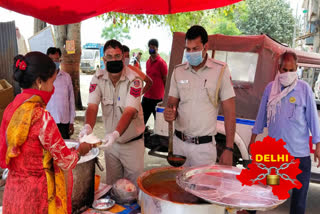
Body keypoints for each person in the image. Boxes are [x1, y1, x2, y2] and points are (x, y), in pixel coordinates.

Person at [0, 52, 92, 214]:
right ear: (39, 82)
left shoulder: (11, 109)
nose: (53, 88)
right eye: (52, 82)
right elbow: (66, 162)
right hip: (38, 197)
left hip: (13, 192)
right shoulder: (41, 117)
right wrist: (81, 150)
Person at [250, 51, 320, 214]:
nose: (287, 74)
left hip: (299, 158)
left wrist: (318, 145)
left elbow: (313, 120)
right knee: (268, 193)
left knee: (299, 201)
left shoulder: (304, 90)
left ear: (297, 69)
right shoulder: (270, 89)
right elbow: (261, 116)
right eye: (284, 70)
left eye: (291, 70)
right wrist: (253, 139)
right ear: (278, 69)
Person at [164, 25, 236, 166]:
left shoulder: (220, 70)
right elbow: (172, 103)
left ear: (205, 47)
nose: (191, 53)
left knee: (202, 187)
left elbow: (230, 112)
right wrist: (169, 113)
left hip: (203, 148)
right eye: (188, 49)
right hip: (179, 145)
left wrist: (229, 148)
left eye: (195, 49)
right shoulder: (178, 71)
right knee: (177, 187)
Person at [79, 40, 145, 186]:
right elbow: (92, 107)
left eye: (117, 56)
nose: (113, 60)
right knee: (112, 188)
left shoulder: (134, 80)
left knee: (133, 190)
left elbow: (129, 111)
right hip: (111, 146)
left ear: (123, 58)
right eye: (109, 57)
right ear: (104, 60)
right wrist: (88, 127)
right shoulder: (98, 79)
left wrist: (116, 134)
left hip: (132, 145)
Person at [46, 47, 76, 139]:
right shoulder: (43, 78)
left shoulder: (66, 77)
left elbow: (71, 100)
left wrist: (71, 121)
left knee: (64, 147)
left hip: (64, 121)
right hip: (48, 121)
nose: (54, 62)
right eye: (51, 59)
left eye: (56, 59)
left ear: (59, 60)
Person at [142, 39, 168, 125]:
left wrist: (166, 96)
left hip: (157, 99)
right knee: (141, 121)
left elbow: (165, 80)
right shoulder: (147, 62)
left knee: (159, 123)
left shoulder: (162, 63)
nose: (151, 49)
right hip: (147, 97)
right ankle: (141, 137)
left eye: (153, 47)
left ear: (157, 48)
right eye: (150, 47)